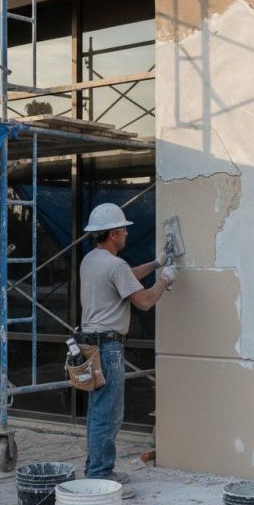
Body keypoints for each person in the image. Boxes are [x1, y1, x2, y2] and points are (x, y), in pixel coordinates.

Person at [79, 202, 176, 484]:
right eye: (123, 230)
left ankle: (95, 469)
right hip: (107, 347)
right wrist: (165, 280)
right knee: (109, 414)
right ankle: (100, 474)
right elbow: (144, 301)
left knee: (98, 411)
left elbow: (126, 277)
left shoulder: (92, 260)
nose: (126, 235)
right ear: (112, 235)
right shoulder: (114, 265)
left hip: (91, 345)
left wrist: (156, 264)